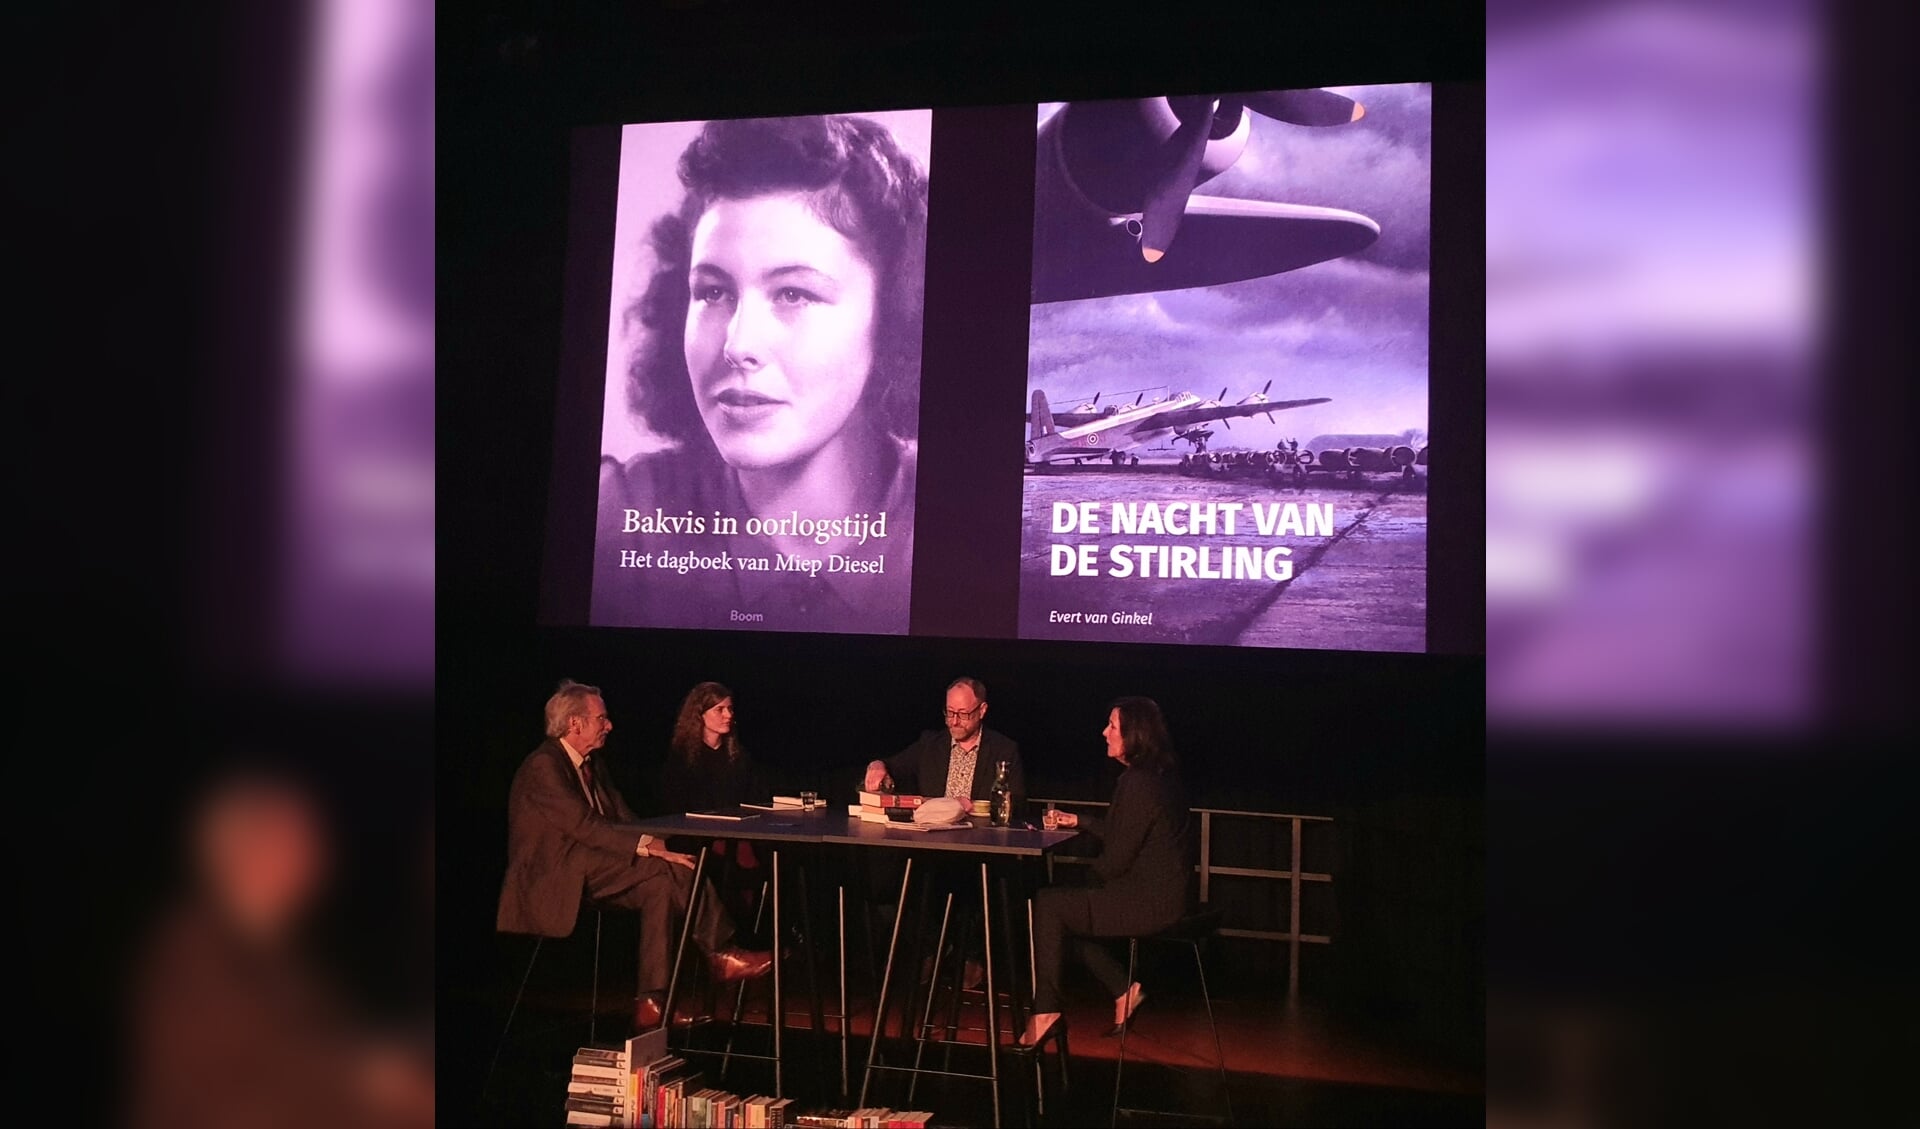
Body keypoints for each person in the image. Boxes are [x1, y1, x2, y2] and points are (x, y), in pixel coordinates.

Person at [594, 113, 929, 634]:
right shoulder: (617, 516)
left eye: (793, 293)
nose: (738, 344)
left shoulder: (962, 520)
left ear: (894, 314)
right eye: (712, 291)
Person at [127, 769, 435, 1129]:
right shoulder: (188, 952)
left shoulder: (287, 960)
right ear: (243, 851)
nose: (316, 857)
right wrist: (372, 1080)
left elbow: (337, 1046)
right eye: (294, 842)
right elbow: (245, 1075)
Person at [496, 679, 772, 1033]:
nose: (609, 725)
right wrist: (650, 847)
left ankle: (651, 1003)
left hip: (594, 865)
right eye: (602, 718)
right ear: (574, 723)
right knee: (660, 868)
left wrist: (666, 845)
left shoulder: (593, 764)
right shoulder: (544, 766)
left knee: (662, 880)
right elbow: (585, 826)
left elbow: (624, 821)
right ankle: (721, 952)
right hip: (556, 876)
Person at [1018, 696, 1194, 1051]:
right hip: (1162, 895)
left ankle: (1046, 1012)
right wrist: (1079, 821)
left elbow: (1116, 859)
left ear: (1134, 734)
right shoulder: (1155, 776)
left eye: (1112, 726)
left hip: (1151, 902)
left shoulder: (1138, 784)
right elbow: (1124, 833)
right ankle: (1123, 988)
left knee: (1051, 905)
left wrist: (1087, 879)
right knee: (1064, 908)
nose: (1104, 733)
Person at [657, 681, 768, 935]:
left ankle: (752, 935)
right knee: (732, 856)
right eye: (720, 709)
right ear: (700, 714)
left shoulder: (739, 757)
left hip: (738, 835)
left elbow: (754, 800)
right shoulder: (681, 759)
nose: (728, 715)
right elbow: (675, 809)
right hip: (697, 838)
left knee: (767, 854)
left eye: (730, 708)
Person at [863, 677, 1026, 808]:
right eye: (949, 712)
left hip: (981, 838)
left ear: (982, 710)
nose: (954, 721)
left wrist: (970, 806)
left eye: (963, 714)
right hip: (933, 839)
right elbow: (893, 765)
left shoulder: (1003, 749)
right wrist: (877, 765)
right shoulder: (929, 744)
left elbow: (1015, 802)